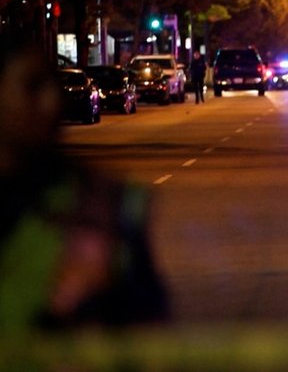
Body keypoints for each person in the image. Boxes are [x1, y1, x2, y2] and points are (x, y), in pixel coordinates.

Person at [0, 40, 168, 331]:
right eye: (32, 86)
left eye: (52, 85)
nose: (52, 101)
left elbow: (146, 323)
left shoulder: (102, 200)